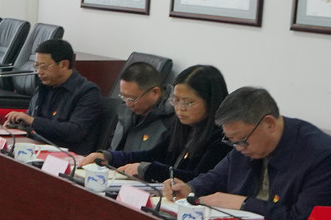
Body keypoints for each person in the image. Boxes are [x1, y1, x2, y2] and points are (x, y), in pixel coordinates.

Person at [161, 86, 331, 220]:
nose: (238, 148)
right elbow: (217, 177)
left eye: (241, 141)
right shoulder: (247, 140)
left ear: (269, 124)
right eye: (231, 141)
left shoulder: (323, 157)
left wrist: (243, 203)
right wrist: (190, 188)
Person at [81, 64, 233, 183]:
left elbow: (198, 179)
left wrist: (147, 169)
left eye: (188, 102)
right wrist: (109, 156)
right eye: (176, 100)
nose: (179, 108)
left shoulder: (223, 137)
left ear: (211, 101)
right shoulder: (184, 126)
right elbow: (153, 155)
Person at [4, 39, 107, 153]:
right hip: (36, 148)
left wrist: (33, 121)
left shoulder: (87, 92)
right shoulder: (43, 87)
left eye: (44, 67)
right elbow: (32, 121)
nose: (39, 72)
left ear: (63, 65)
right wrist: (19, 126)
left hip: (65, 155)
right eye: (36, 66)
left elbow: (75, 132)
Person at [109, 61, 173, 154]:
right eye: (123, 96)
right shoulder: (125, 111)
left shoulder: (173, 120)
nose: (128, 104)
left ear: (155, 92)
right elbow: (112, 148)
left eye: (132, 98)